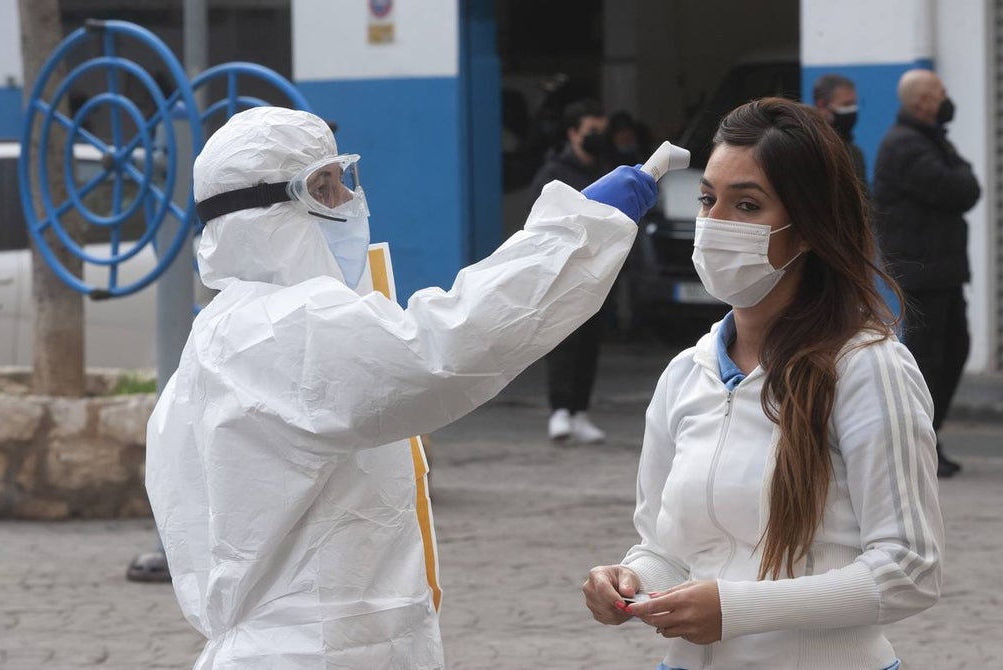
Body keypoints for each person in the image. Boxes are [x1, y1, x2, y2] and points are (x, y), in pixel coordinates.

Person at [145, 106, 657, 668]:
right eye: (323, 186)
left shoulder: (227, 333)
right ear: (263, 213)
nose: (346, 201)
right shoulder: (278, 329)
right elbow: (446, 347)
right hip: (312, 650)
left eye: (343, 180)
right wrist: (581, 231)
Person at [582, 98, 942, 670]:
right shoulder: (685, 374)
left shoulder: (868, 366)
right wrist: (630, 579)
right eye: (707, 199)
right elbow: (666, 551)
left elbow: (910, 570)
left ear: (808, 228)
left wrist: (739, 608)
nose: (714, 224)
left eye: (746, 204)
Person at [873, 69, 981, 479]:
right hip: (923, 269)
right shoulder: (908, 147)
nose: (946, 98)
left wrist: (961, 174)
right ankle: (916, 444)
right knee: (929, 360)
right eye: (940, 93)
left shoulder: (926, 140)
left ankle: (926, 439)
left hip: (940, 269)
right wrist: (961, 175)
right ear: (921, 102)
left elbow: (964, 181)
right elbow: (962, 189)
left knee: (952, 350)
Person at [528, 98, 614, 444]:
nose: (598, 138)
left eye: (601, 132)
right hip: (565, 272)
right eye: (592, 132)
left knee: (591, 344)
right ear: (573, 133)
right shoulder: (553, 174)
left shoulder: (609, 170)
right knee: (563, 341)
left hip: (602, 269)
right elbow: (540, 223)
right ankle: (559, 410)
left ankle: (580, 412)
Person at [812, 73, 867, 195]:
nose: (852, 110)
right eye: (846, 104)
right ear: (822, 105)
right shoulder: (808, 149)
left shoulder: (854, 152)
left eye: (854, 104)